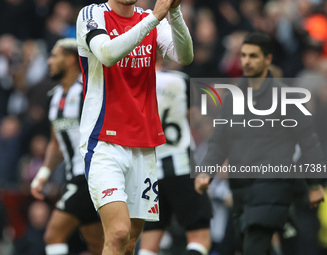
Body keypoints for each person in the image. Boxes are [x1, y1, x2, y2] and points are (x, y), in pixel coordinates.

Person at [76, 0, 193, 254]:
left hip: (143, 144)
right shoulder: (92, 14)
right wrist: (154, 18)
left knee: (129, 242)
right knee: (117, 233)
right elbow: (106, 54)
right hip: (104, 141)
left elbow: (185, 56)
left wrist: (174, 12)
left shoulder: (149, 17)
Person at [194, 32, 325, 255]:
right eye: (243, 55)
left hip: (273, 186)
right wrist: (206, 170)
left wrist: (314, 184)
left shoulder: (287, 97)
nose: (246, 61)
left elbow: (308, 141)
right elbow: (219, 142)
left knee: (254, 246)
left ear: (268, 59)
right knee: (249, 247)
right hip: (242, 190)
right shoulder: (233, 99)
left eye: (253, 56)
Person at [31, 38, 103, 255]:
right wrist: (43, 173)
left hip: (90, 177)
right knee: (98, 246)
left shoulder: (89, 92)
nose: (49, 61)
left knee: (53, 235)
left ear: (71, 59)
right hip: (74, 177)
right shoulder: (54, 97)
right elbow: (56, 143)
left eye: (55, 55)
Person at [138, 59, 212, 255]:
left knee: (149, 243)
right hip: (181, 166)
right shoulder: (179, 80)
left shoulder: (131, 83)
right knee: (199, 238)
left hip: (148, 173)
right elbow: (192, 118)